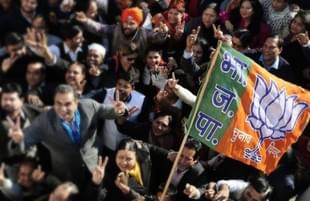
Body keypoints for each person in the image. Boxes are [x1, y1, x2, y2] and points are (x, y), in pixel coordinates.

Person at [8, 84, 127, 189]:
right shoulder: (44, 121)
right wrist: (17, 140)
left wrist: (120, 111)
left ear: (77, 102)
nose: (63, 109)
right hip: (66, 178)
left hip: (95, 168)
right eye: (58, 104)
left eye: (68, 104)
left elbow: (109, 111)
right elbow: (22, 142)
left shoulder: (89, 106)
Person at [91, 138, 171, 201]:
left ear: (136, 157)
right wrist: (96, 184)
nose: (124, 163)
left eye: (128, 159)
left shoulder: (144, 156)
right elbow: (99, 197)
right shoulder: (109, 172)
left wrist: (169, 154)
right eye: (120, 157)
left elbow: (150, 148)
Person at [184, 175, 272, 201]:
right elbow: (223, 184)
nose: (249, 200)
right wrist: (224, 191)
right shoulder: (242, 185)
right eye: (248, 195)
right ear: (247, 186)